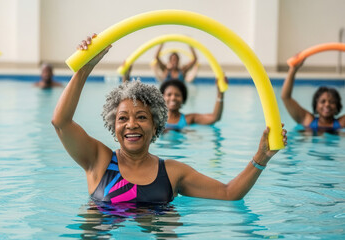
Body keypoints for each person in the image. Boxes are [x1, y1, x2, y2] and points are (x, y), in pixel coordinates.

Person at [51, 34, 287, 204]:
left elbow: (228, 193)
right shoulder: (97, 160)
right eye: (123, 118)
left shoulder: (173, 172)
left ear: (155, 125)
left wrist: (261, 157)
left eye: (141, 117)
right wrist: (83, 69)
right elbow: (61, 122)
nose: (131, 124)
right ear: (114, 126)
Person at [281, 60, 344, 133]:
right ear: (316, 105)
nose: (327, 104)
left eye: (332, 102)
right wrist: (293, 69)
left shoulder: (342, 123)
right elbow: (286, 97)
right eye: (323, 101)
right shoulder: (307, 120)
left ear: (337, 106)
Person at [160, 78, 224, 130]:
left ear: (183, 99)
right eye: (169, 95)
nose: (173, 98)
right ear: (162, 98)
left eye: (177, 95)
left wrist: (220, 94)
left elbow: (214, 118)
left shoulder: (189, 119)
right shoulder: (156, 120)